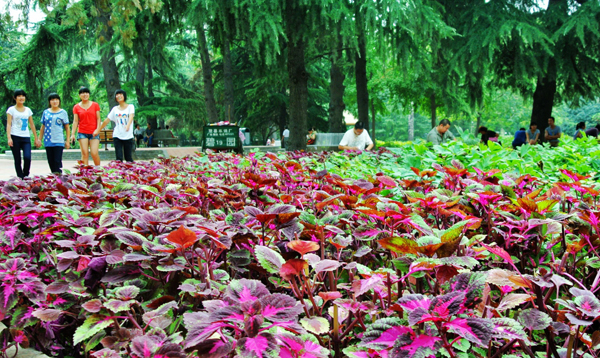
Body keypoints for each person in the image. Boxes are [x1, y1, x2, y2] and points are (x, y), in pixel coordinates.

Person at [6, 89, 38, 179]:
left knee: (27, 157)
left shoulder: (28, 110)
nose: (21, 98)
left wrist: (36, 138)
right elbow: (8, 124)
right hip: (15, 136)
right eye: (19, 96)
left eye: (23, 96)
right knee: (17, 158)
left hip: (25, 137)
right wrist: (9, 138)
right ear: (15, 98)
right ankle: (20, 177)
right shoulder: (11, 110)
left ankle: (26, 174)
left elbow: (31, 124)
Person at [94, 89, 135, 162]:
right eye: (117, 94)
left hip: (128, 135)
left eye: (121, 94)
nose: (119, 96)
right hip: (117, 135)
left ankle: (129, 172)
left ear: (124, 96)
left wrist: (128, 125)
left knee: (128, 158)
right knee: (118, 158)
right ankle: (119, 172)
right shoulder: (115, 109)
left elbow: (131, 116)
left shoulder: (130, 107)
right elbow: (107, 120)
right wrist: (98, 130)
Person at [38, 93, 70, 174]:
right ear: (49, 102)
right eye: (52, 100)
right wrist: (39, 139)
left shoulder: (63, 112)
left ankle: (59, 178)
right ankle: (54, 178)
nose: (55, 101)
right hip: (48, 141)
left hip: (59, 141)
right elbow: (42, 127)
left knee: (57, 161)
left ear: (59, 101)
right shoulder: (46, 112)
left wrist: (67, 140)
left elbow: (67, 127)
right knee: (51, 161)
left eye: (56, 99)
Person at [70, 87, 101, 165]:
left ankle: (98, 170)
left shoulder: (95, 105)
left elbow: (98, 118)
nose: (85, 94)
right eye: (82, 93)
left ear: (89, 94)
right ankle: (85, 173)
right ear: (79, 95)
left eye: (86, 92)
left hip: (94, 132)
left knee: (94, 153)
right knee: (84, 153)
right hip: (82, 132)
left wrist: (97, 129)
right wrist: (72, 134)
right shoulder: (76, 107)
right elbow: (75, 121)